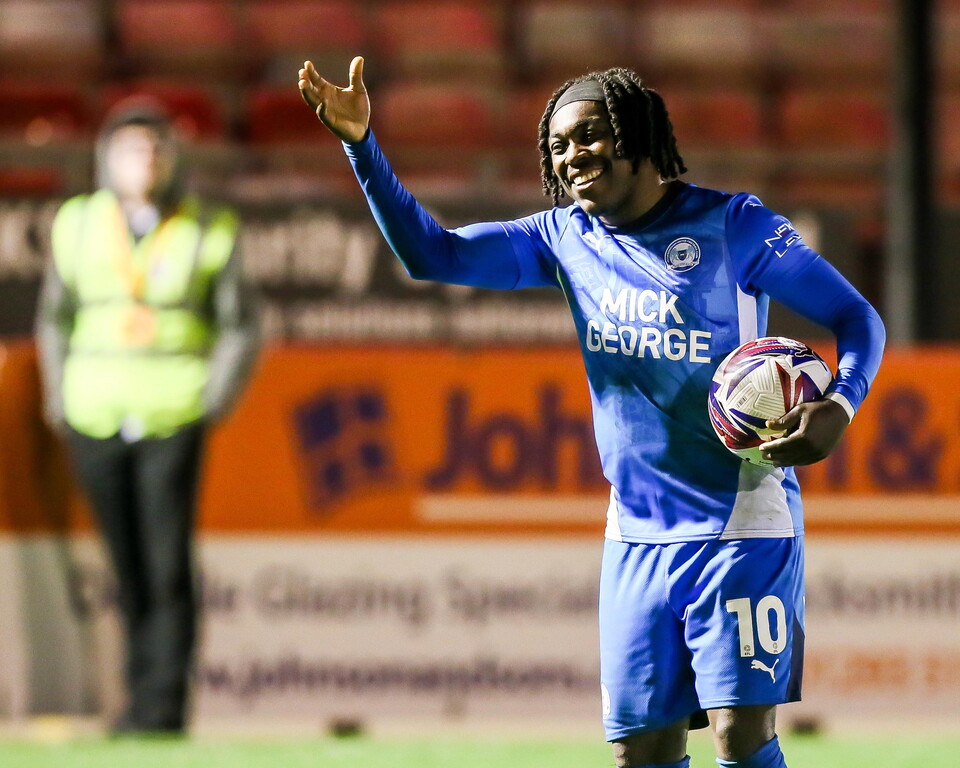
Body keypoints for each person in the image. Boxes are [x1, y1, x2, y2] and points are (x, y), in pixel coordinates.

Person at [297, 57, 885, 768]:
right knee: (641, 750)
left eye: (589, 135)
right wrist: (361, 144)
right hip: (635, 533)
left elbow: (856, 318)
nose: (572, 157)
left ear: (636, 133)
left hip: (741, 522)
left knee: (739, 734)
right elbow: (433, 255)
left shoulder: (735, 226)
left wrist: (840, 406)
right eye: (557, 147)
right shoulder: (563, 239)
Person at [35, 98, 261, 735]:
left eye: (157, 148)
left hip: (172, 414)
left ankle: (162, 711)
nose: (146, 160)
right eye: (132, 149)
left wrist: (211, 401)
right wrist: (58, 396)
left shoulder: (207, 227)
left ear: (173, 159)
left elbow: (241, 325)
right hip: (94, 413)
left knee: (166, 566)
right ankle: (132, 702)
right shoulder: (77, 222)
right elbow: (55, 317)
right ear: (107, 160)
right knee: (123, 565)